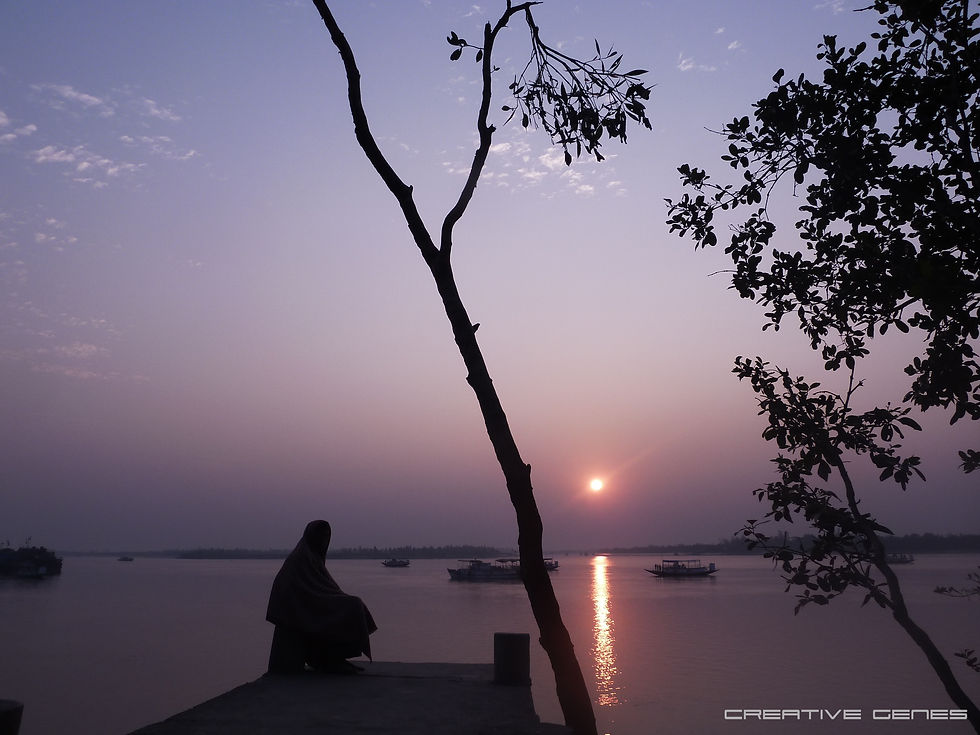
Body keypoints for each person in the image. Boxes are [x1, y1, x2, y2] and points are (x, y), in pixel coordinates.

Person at [266, 520, 377, 674]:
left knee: (354, 605)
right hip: (303, 608)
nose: (324, 540)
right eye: (321, 536)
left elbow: (325, 588)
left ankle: (333, 658)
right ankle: (329, 659)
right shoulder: (300, 559)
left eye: (327, 536)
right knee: (353, 606)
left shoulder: (313, 558)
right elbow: (299, 590)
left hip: (313, 604)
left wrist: (338, 598)